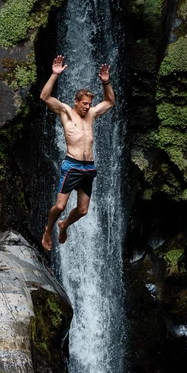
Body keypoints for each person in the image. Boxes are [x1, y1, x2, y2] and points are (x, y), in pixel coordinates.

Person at [39, 55, 115, 251]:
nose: (87, 107)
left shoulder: (92, 114)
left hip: (89, 167)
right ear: (76, 101)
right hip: (72, 165)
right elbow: (44, 97)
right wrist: (54, 75)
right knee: (61, 206)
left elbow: (110, 102)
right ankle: (49, 229)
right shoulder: (65, 112)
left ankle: (64, 225)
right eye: (84, 104)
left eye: (89, 104)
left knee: (83, 210)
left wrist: (106, 82)